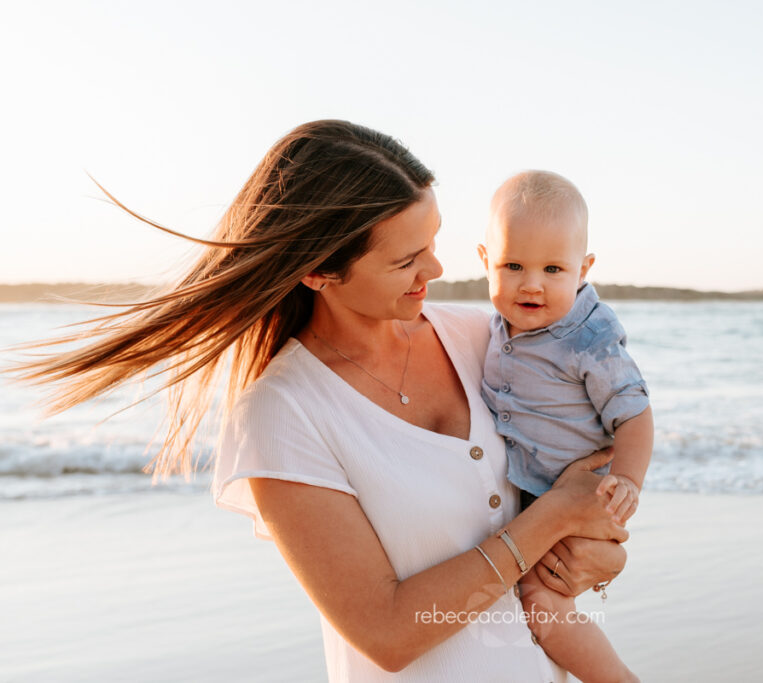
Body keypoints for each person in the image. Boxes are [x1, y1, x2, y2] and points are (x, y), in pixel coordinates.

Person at [12, 120, 629, 681]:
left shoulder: (485, 340)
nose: (435, 268)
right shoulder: (283, 415)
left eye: (434, 241)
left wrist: (597, 556)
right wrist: (548, 523)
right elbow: (387, 632)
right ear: (319, 273)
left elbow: (584, 471)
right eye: (406, 259)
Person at [477, 171, 654, 683]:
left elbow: (635, 413)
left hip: (580, 495)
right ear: (485, 261)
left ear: (583, 269)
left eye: (553, 268)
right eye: (513, 265)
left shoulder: (588, 337)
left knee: (541, 604)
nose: (531, 283)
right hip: (537, 494)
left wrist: (627, 480)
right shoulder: (492, 327)